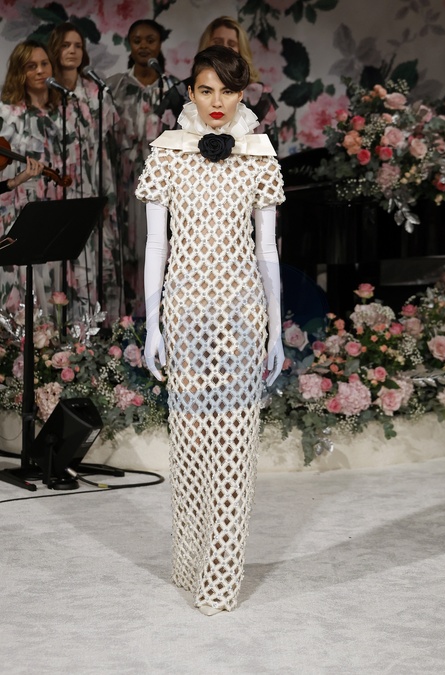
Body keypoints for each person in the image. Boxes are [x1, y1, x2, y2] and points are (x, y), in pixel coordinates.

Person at [136, 46, 285, 614]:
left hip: (242, 315)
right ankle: (189, 559)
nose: (217, 102)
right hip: (184, 315)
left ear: (242, 93)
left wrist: (275, 331)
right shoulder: (167, 154)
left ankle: (220, 578)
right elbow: (156, 246)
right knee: (191, 445)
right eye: (205, 90)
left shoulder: (259, 157)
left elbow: (268, 253)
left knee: (235, 446)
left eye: (227, 90)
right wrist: (153, 326)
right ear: (190, 93)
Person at [47, 22, 122, 320]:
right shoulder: (46, 92)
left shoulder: (95, 92)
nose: (72, 51)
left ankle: (90, 327)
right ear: (55, 49)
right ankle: (53, 328)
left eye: (78, 46)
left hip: (90, 181)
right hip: (55, 184)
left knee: (89, 257)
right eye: (66, 45)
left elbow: (107, 142)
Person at [107, 19, 179, 317]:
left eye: (150, 40)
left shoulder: (173, 87)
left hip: (165, 183)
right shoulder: (114, 86)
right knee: (125, 250)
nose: (144, 46)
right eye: (137, 40)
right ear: (130, 44)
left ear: (159, 44)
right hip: (124, 181)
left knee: (160, 245)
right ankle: (126, 323)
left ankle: (160, 317)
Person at [0, 40, 64, 315]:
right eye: (31, 66)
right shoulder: (5, 113)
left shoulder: (63, 113)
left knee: (50, 274)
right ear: (19, 72)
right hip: (16, 204)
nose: (40, 71)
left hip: (52, 203)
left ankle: (49, 338)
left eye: (44, 64)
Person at [157, 16, 279, 149]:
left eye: (231, 44)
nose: (224, 48)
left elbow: (270, 149)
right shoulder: (178, 92)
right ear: (192, 94)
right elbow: (163, 145)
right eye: (218, 42)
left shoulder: (260, 97)